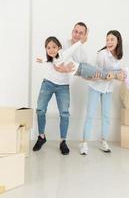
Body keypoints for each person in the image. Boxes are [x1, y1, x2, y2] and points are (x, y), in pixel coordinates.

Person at [32, 22, 88, 155]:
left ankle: (63, 141)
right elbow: (55, 62)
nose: (77, 34)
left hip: (63, 86)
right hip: (48, 83)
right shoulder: (61, 43)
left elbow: (80, 69)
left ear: (85, 35)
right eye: (76, 31)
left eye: (81, 33)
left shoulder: (83, 54)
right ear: (72, 31)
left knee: (64, 113)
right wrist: (63, 68)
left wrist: (69, 69)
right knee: (40, 109)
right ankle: (41, 137)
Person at [79, 30, 126, 155]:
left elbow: (117, 75)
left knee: (106, 116)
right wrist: (114, 75)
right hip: (95, 86)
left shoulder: (119, 57)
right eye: (107, 39)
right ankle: (84, 143)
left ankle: (103, 140)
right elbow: (99, 74)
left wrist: (118, 75)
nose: (109, 42)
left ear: (118, 41)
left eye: (112, 39)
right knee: (90, 115)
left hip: (108, 89)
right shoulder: (102, 54)